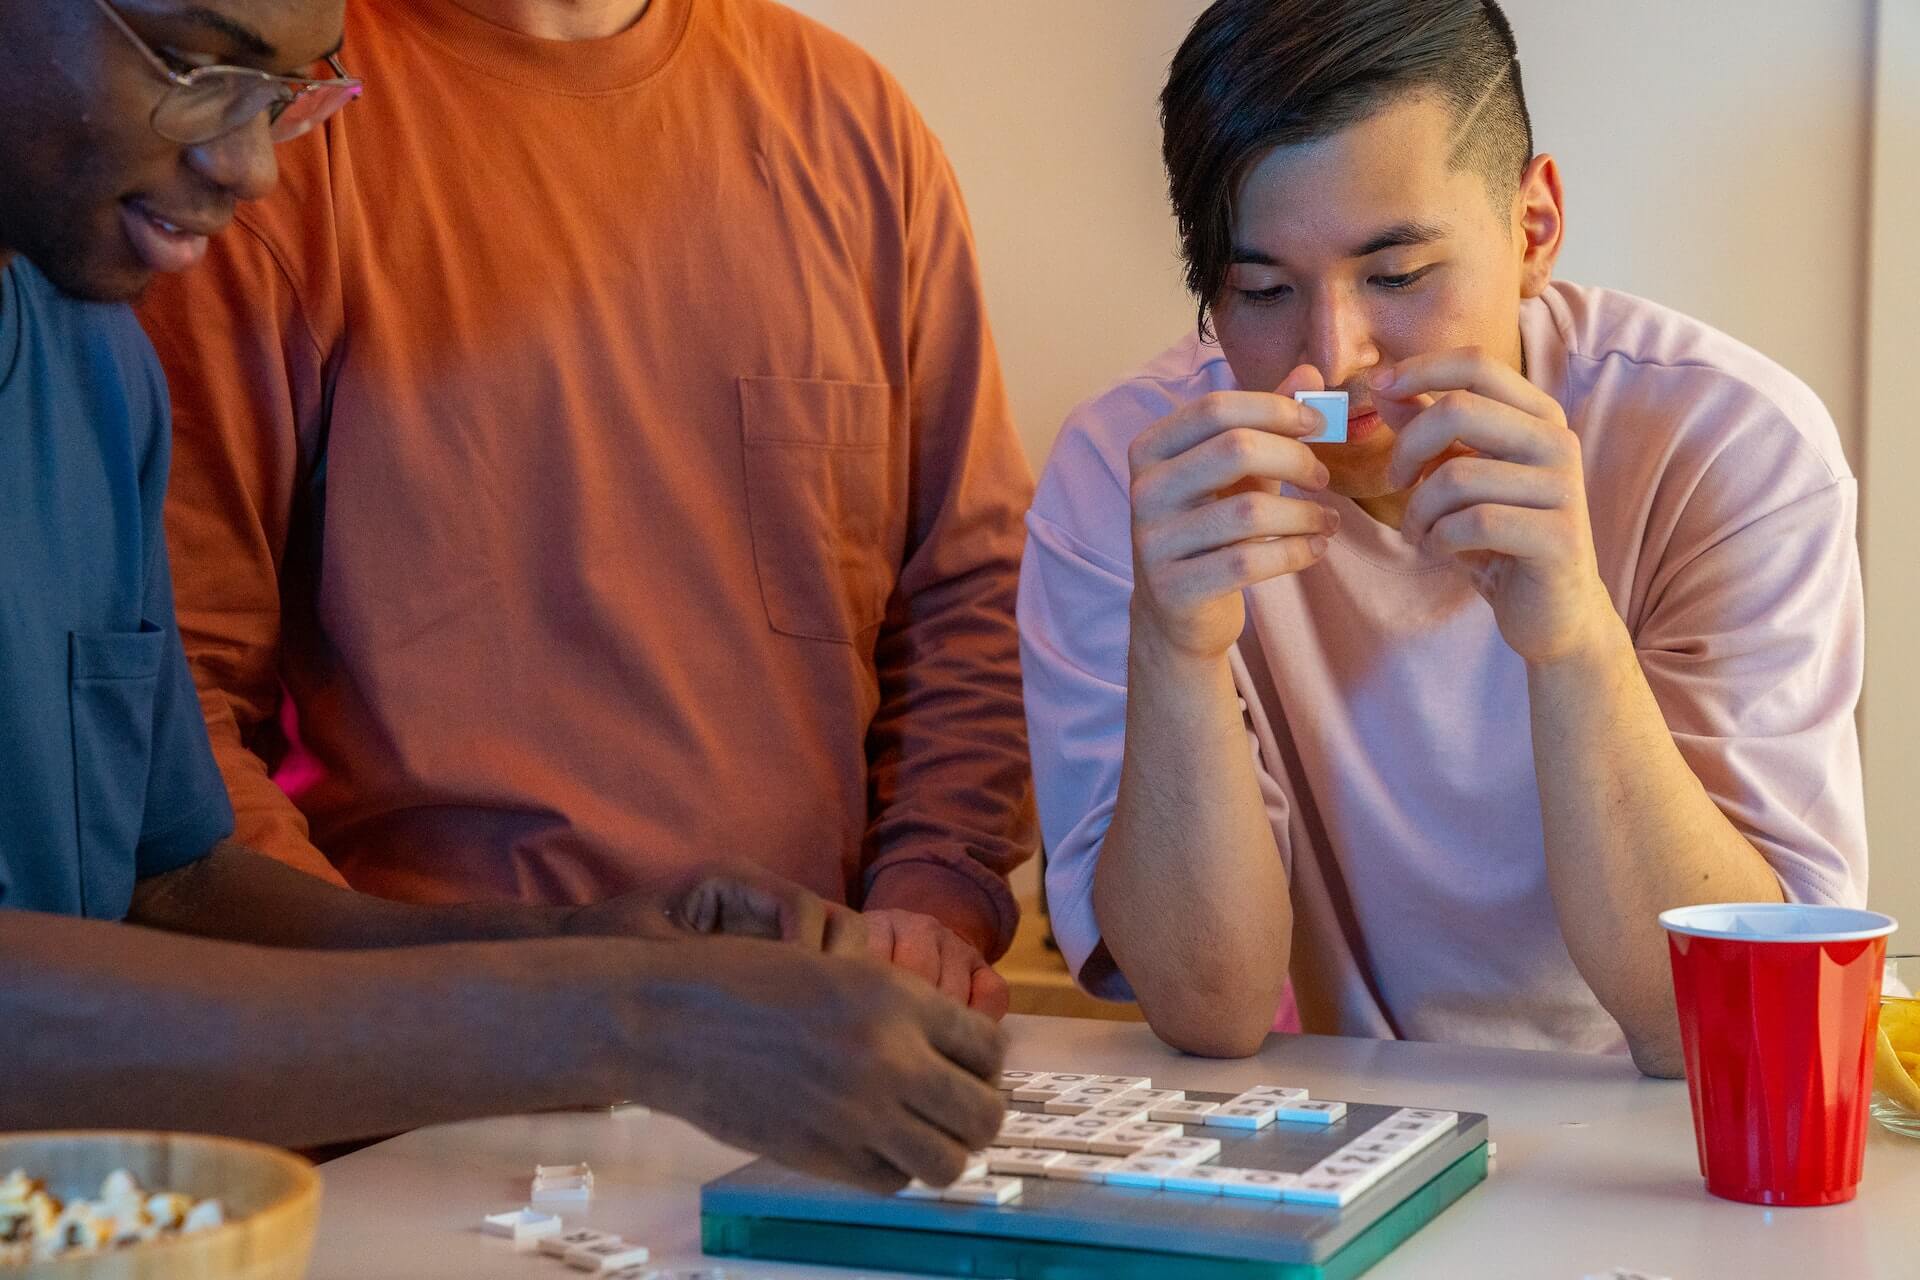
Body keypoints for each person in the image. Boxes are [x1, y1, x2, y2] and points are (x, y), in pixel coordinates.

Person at [0, 0, 1002, 1191]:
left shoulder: (94, 363)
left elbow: (176, 883)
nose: (253, 167)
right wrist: (618, 1018)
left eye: (281, 94)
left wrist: (591, 952)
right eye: (193, 65)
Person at [1020, 0, 1867, 1075]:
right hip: (1341, 1123)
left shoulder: (1729, 443)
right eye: (1262, 290)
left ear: (1533, 228)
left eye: (1399, 276)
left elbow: (1740, 1013)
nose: (1335, 358)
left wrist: (1577, 640)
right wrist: (1174, 646)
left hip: (1675, 1122)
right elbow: (1207, 1007)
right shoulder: (1133, 478)